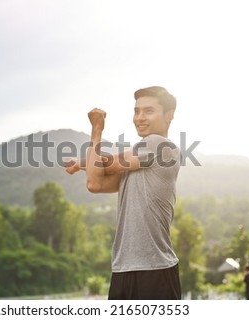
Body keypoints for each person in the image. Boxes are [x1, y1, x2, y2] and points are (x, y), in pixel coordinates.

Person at [65, 86, 181, 299]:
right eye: (136, 111)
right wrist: (83, 163)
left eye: (148, 111)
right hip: (123, 268)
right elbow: (96, 183)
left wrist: (97, 130)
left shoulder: (159, 145)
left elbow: (102, 168)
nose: (139, 118)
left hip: (155, 271)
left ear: (169, 115)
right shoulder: (137, 162)